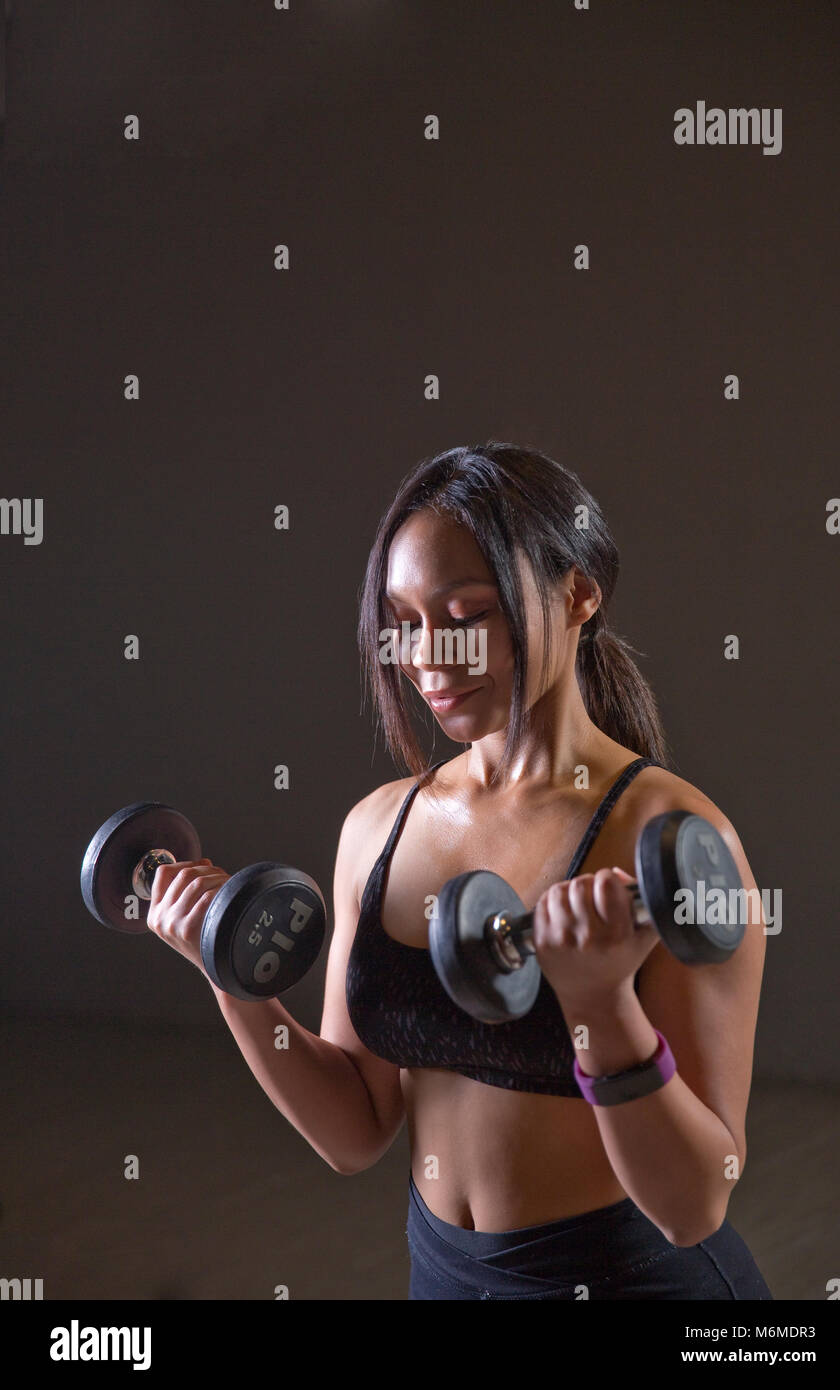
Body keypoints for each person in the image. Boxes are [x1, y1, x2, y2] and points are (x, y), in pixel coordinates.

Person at [146, 441, 773, 1301]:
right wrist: (230, 970)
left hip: (632, 1283)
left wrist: (600, 1006)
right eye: (403, 621)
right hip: (443, 1276)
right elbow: (356, 1130)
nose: (426, 657)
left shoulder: (672, 837)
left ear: (578, 592)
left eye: (466, 613)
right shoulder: (379, 828)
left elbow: (695, 1203)